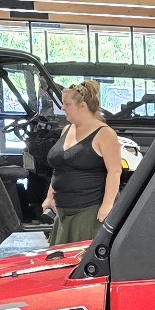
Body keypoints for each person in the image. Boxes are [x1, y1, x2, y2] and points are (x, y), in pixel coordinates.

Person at [42, 80, 122, 245]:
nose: (63, 108)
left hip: (88, 212)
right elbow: (59, 168)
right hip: (63, 213)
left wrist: (107, 206)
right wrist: (50, 197)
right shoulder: (67, 130)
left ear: (83, 106)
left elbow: (114, 171)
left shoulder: (105, 134)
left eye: (67, 104)